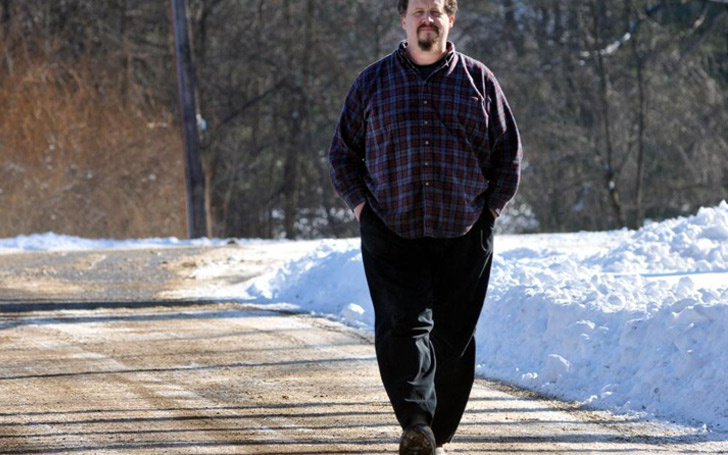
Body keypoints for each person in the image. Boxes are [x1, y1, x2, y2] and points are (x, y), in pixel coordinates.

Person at [328, 0, 522, 453]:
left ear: (451, 18)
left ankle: (439, 430)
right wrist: (363, 211)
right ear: (403, 19)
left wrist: (490, 214)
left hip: (464, 230)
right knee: (402, 328)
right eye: (418, 11)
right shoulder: (372, 82)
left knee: (453, 337)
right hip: (391, 229)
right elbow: (342, 154)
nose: (427, 19)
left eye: (436, 10)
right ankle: (416, 422)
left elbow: (508, 154)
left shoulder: (479, 81)